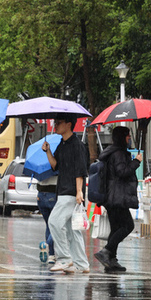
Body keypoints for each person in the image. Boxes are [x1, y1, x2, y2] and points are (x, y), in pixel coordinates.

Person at [42, 114, 90, 274]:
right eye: (55, 122)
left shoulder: (78, 145)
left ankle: (64, 259)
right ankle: (82, 264)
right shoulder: (62, 144)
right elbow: (56, 166)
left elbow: (80, 170)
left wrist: (79, 192)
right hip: (63, 190)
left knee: (54, 222)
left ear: (69, 124)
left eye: (59, 122)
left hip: (71, 192)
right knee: (72, 231)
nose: (55, 125)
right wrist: (48, 151)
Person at [94, 126, 142, 273]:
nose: (129, 138)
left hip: (112, 196)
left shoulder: (112, 152)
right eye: (127, 136)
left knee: (115, 228)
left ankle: (111, 260)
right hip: (117, 197)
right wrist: (136, 162)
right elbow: (122, 172)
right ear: (122, 137)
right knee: (127, 226)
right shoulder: (119, 154)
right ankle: (106, 251)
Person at [36, 175, 57, 264]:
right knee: (57, 225)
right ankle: (47, 244)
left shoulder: (40, 164)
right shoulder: (55, 162)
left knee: (49, 225)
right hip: (53, 194)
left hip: (40, 195)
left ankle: (51, 255)